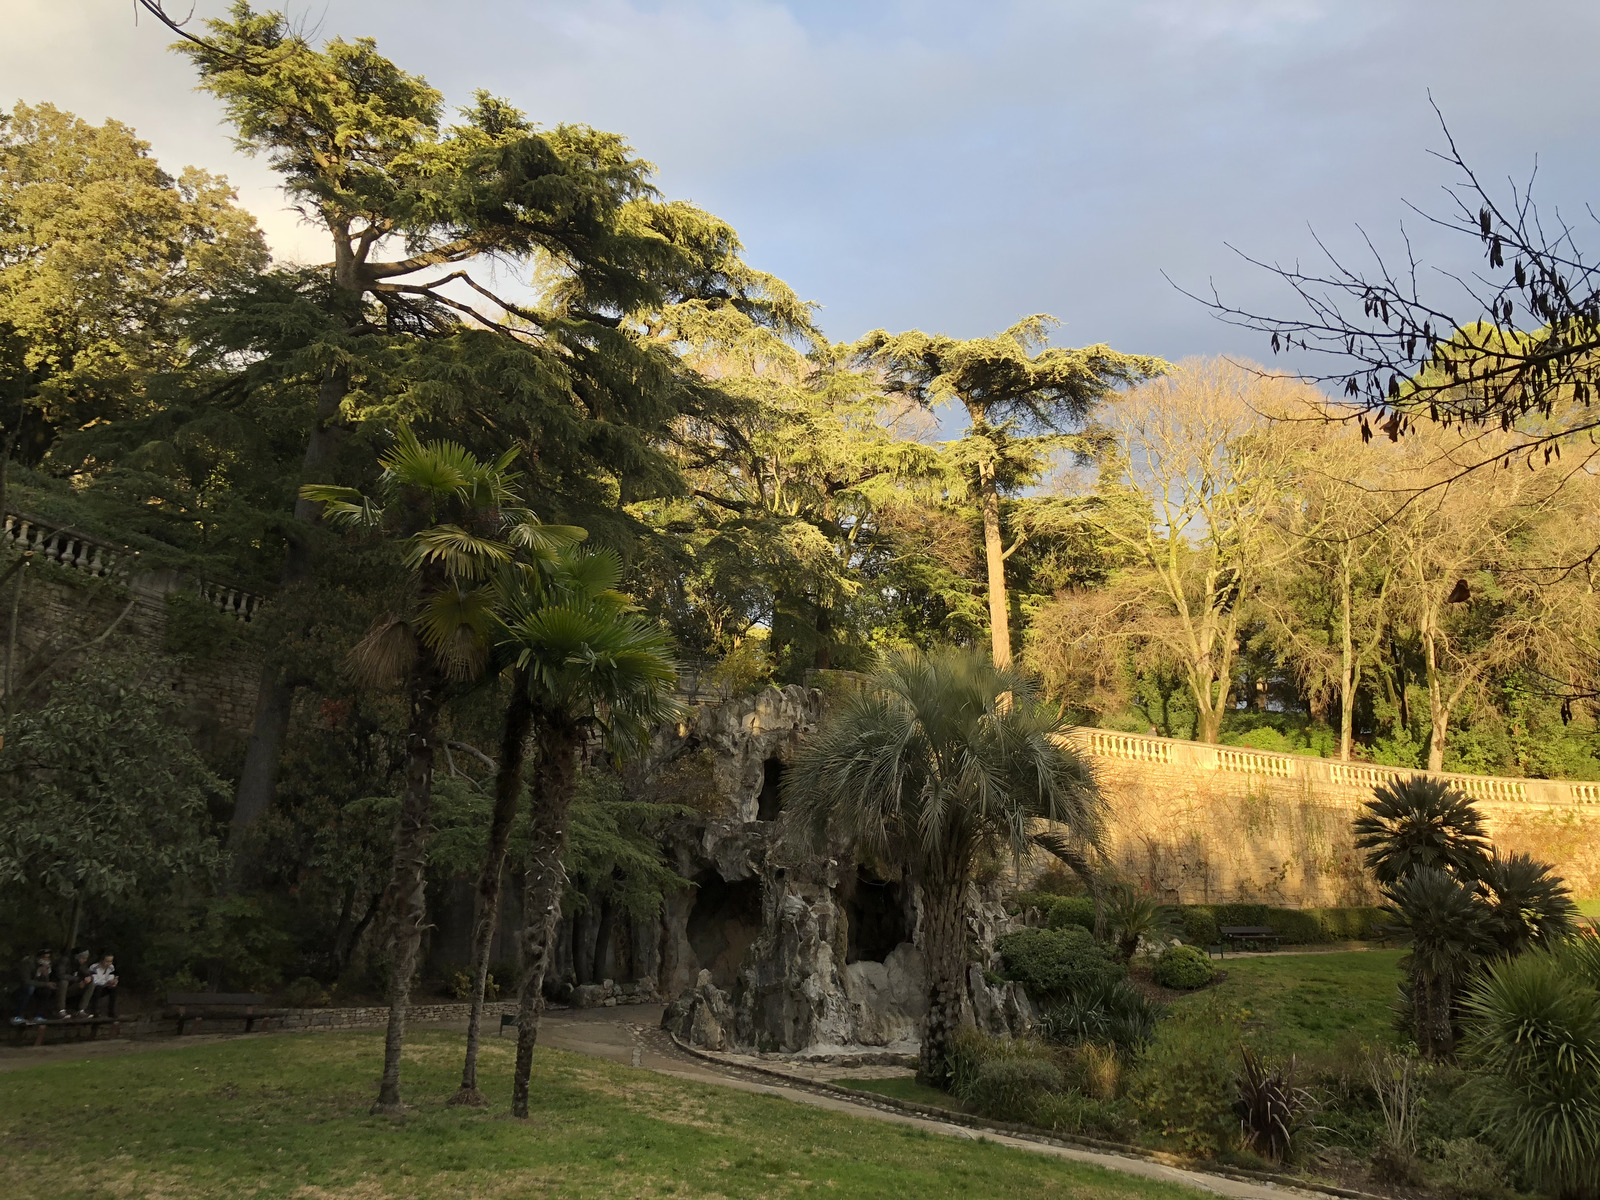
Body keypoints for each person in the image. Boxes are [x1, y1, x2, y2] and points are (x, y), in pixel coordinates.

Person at [12, 949, 53, 1024]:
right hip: (19, 987)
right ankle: (17, 1015)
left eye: (48, 958)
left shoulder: (46, 966)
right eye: (44, 958)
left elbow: (44, 983)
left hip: (34, 986)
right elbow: (26, 981)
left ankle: (39, 1015)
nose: (46, 960)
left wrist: (44, 975)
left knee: (46, 990)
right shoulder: (28, 963)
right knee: (29, 989)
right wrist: (39, 974)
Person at [59, 949, 93, 1018]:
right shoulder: (65, 961)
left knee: (91, 983)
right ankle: (61, 1010)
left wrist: (88, 978)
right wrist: (78, 980)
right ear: (77, 957)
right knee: (64, 982)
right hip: (59, 986)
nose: (85, 960)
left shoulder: (81, 964)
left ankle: (81, 1010)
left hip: (72, 987)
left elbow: (87, 973)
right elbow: (61, 975)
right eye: (83, 958)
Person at [86, 954, 118, 1019]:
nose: (108, 963)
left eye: (110, 961)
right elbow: (95, 981)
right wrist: (106, 982)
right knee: (98, 988)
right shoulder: (94, 967)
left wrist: (113, 981)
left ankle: (111, 1011)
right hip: (94, 988)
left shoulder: (111, 967)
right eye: (107, 961)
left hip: (104, 986)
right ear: (101, 961)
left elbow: (110, 977)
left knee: (113, 989)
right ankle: (95, 1011)